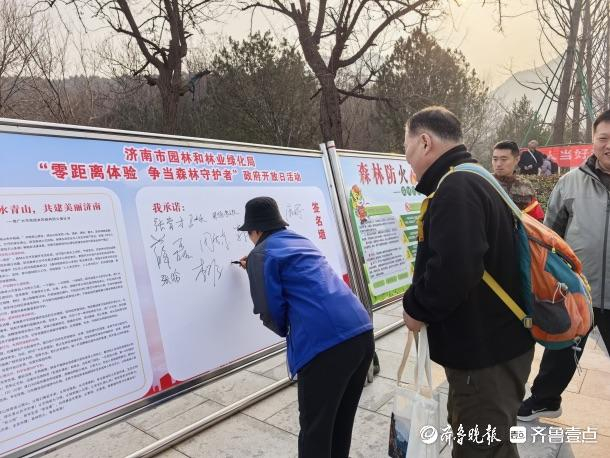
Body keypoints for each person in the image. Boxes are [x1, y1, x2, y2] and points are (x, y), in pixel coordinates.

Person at [401, 107, 534, 457]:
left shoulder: (456, 187)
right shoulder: (476, 177)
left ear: (425, 142)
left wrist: (415, 307)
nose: (407, 160)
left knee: (481, 449)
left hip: (485, 356)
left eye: (407, 148)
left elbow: (455, 270)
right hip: (497, 346)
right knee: (490, 441)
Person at [237, 196, 374, 458]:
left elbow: (270, 311)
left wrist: (254, 265)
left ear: (255, 231)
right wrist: (254, 265)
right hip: (360, 330)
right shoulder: (300, 240)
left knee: (315, 431)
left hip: (327, 345)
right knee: (340, 422)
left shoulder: (260, 254)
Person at [518, 109, 610, 422]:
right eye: (603, 138)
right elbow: (551, 236)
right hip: (578, 288)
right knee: (561, 349)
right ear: (593, 140)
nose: (608, 145)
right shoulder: (570, 183)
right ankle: (545, 400)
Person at [491, 140, 545, 222]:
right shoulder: (484, 183)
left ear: (516, 160)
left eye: (504, 159)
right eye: (495, 159)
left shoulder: (525, 185)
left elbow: (536, 219)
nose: (498, 164)